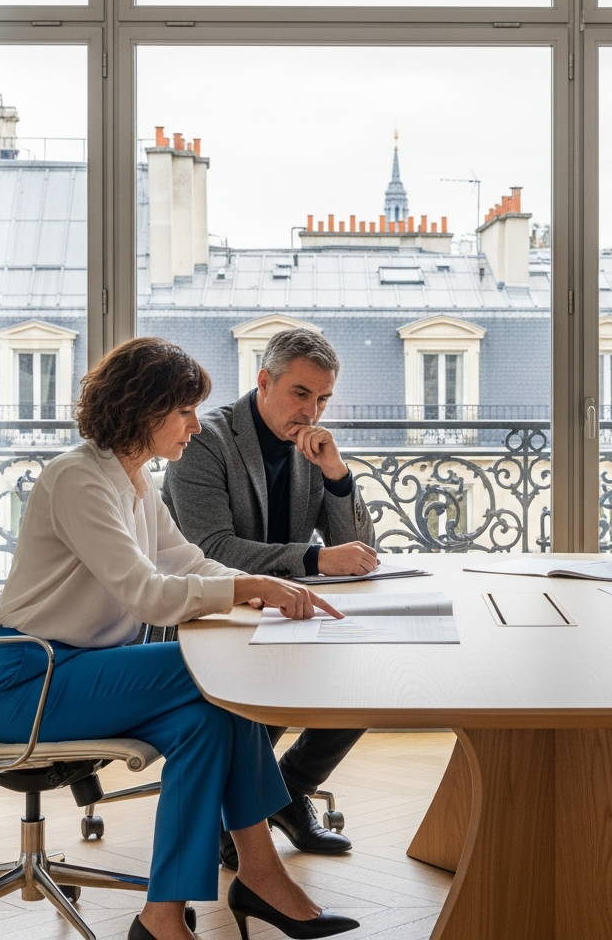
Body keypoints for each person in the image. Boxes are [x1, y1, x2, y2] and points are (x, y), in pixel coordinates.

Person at [0, 338, 359, 940]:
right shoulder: (78, 479)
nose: (195, 426)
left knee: (208, 721)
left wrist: (256, 586)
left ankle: (163, 919)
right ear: (143, 408)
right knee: (219, 670)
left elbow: (185, 560)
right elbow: (149, 593)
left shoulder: (131, 480)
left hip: (83, 671)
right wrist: (250, 588)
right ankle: (260, 875)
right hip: (29, 679)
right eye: (183, 411)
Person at [162, 328, 376, 868]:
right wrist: (312, 561)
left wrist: (337, 473)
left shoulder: (312, 445)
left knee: (369, 673)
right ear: (264, 381)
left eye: (323, 398)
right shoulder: (205, 440)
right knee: (268, 687)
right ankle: (239, 815)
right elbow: (211, 548)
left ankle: (283, 793)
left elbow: (361, 547)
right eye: (300, 394)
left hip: (283, 610)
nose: (312, 410)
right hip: (211, 614)